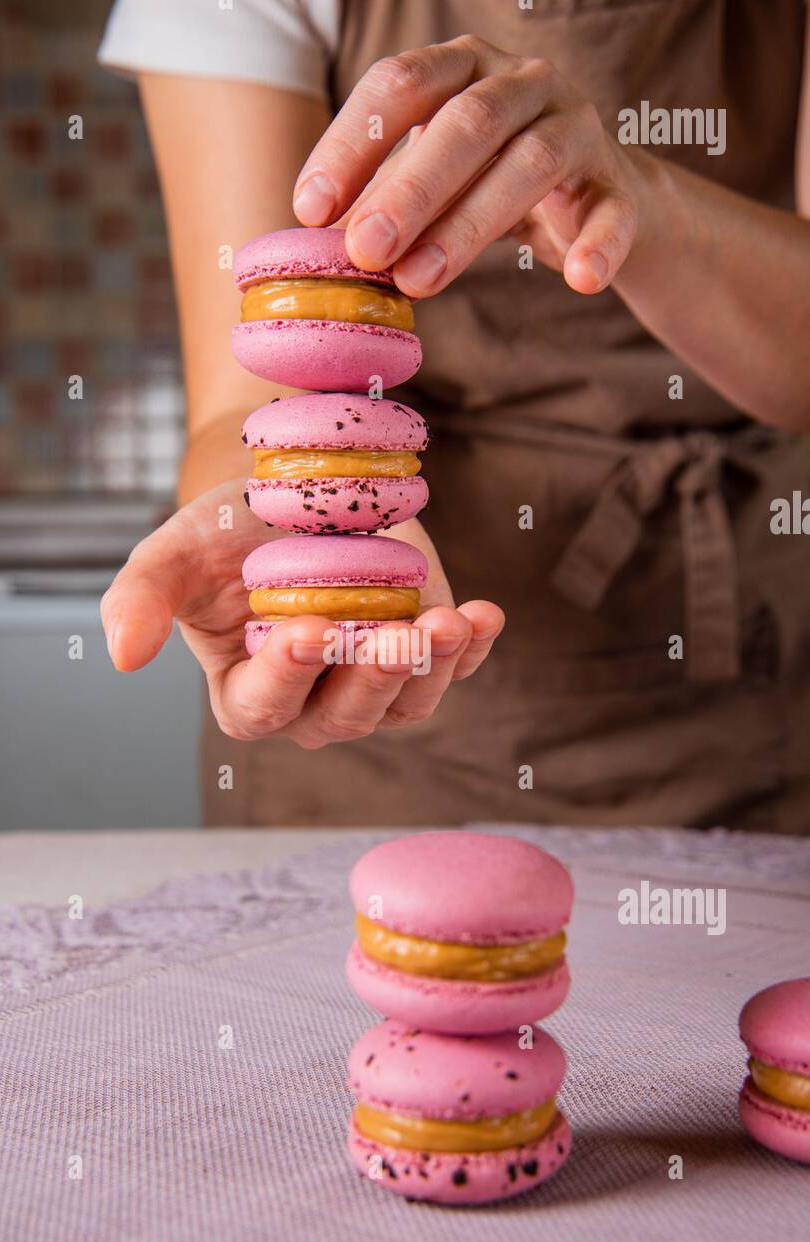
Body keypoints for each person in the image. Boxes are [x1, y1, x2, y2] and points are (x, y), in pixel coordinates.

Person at [98, 0, 810, 831]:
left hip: (750, 686)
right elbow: (243, 396)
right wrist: (290, 547)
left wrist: (645, 206)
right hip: (392, 720)